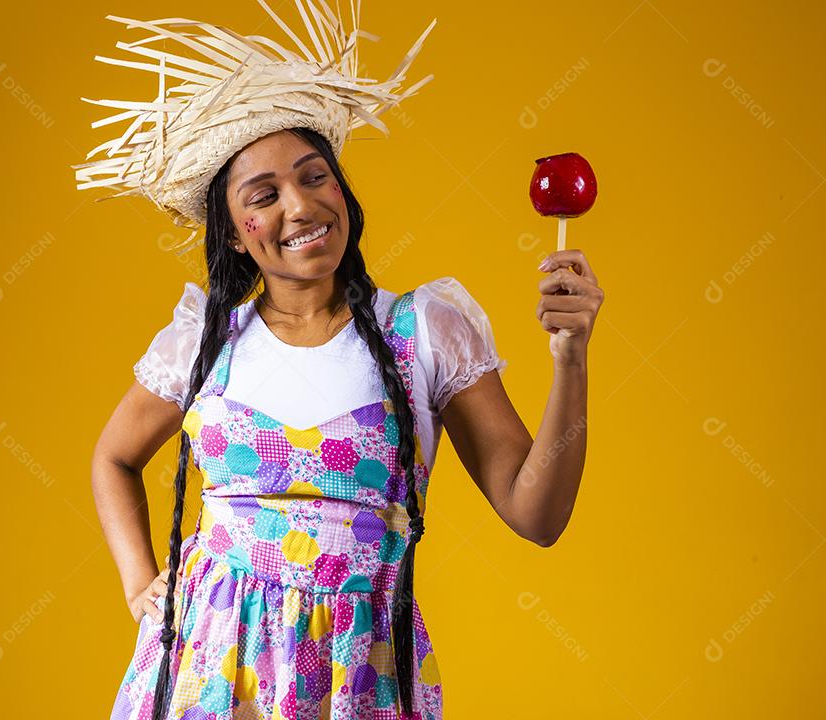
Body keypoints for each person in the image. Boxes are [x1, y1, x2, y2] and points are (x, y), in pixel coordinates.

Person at [77, 3, 604, 719]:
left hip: (357, 679)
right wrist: (141, 588)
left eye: (315, 177)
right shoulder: (204, 343)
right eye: (265, 196)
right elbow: (113, 457)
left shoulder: (425, 333)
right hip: (207, 676)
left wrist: (570, 361)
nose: (300, 206)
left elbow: (537, 515)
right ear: (233, 234)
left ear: (342, 191)